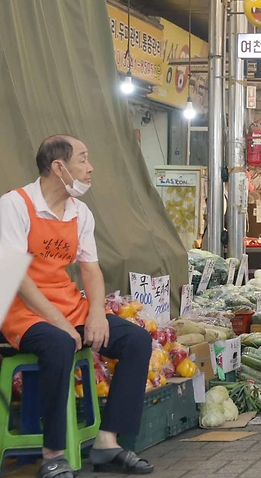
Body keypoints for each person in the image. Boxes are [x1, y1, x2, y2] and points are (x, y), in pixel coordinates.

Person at [0, 136, 154, 478]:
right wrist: (59, 322)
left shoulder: (79, 212)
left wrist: (96, 313)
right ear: (59, 167)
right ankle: (53, 455)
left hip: (69, 306)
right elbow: (17, 277)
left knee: (136, 341)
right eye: (83, 159)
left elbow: (90, 269)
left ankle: (108, 442)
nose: (90, 167)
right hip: (20, 311)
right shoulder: (14, 205)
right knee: (59, 344)